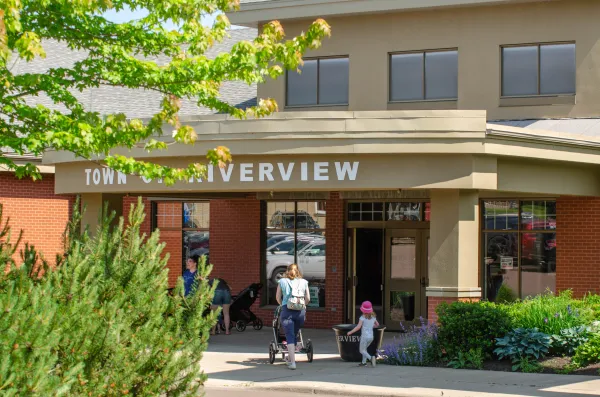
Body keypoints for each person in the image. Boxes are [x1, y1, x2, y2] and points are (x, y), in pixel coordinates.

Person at [276, 263, 310, 370]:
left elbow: (277, 297)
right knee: (295, 333)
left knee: (289, 336)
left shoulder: (282, 281)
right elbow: (308, 298)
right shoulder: (304, 282)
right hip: (300, 312)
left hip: (287, 310)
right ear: (298, 271)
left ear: (287, 271)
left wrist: (282, 304)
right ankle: (291, 356)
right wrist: (302, 306)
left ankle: (292, 362)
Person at [347, 301, 379, 367]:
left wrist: (350, 332)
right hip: (371, 337)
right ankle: (364, 362)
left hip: (364, 337)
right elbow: (377, 325)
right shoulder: (373, 317)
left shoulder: (362, 318)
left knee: (361, 350)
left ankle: (371, 358)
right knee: (365, 349)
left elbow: (358, 327)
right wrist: (371, 326)